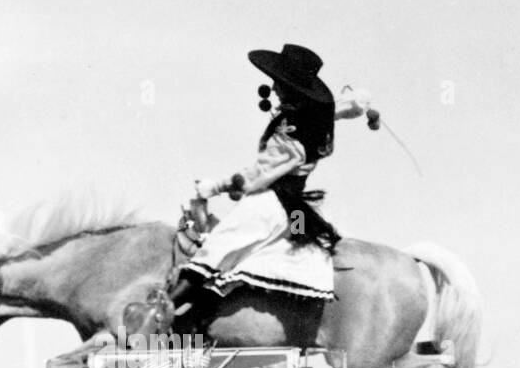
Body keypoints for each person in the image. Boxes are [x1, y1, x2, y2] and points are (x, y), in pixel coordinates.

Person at [123, 44, 376, 336]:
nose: (275, 88)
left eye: (281, 83)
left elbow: (256, 175)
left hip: (273, 202)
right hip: (297, 210)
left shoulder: (292, 136)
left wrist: (215, 187)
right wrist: (359, 106)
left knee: (219, 245)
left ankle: (159, 311)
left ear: (294, 90)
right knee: (265, 250)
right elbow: (339, 109)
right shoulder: (312, 118)